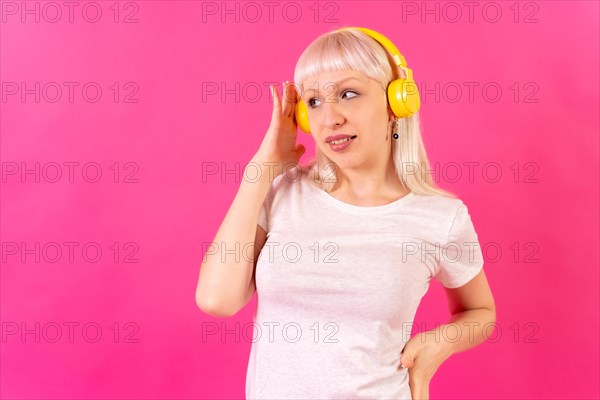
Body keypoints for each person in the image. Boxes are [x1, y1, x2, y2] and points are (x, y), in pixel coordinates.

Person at [196, 26, 496, 400]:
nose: (329, 118)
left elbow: (481, 312)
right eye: (314, 102)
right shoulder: (283, 193)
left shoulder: (441, 217)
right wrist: (261, 169)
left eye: (348, 94)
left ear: (395, 103)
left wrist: (439, 344)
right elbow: (216, 300)